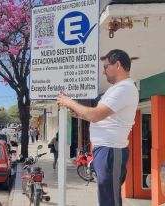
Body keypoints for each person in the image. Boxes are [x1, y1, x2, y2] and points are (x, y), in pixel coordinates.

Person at [57, 49, 139, 206]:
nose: (103, 71)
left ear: (118, 65)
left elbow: (95, 115)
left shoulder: (125, 88)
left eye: (106, 66)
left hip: (111, 151)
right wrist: (80, 114)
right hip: (106, 151)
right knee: (106, 197)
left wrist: (69, 101)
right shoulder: (117, 88)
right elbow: (102, 117)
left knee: (110, 200)